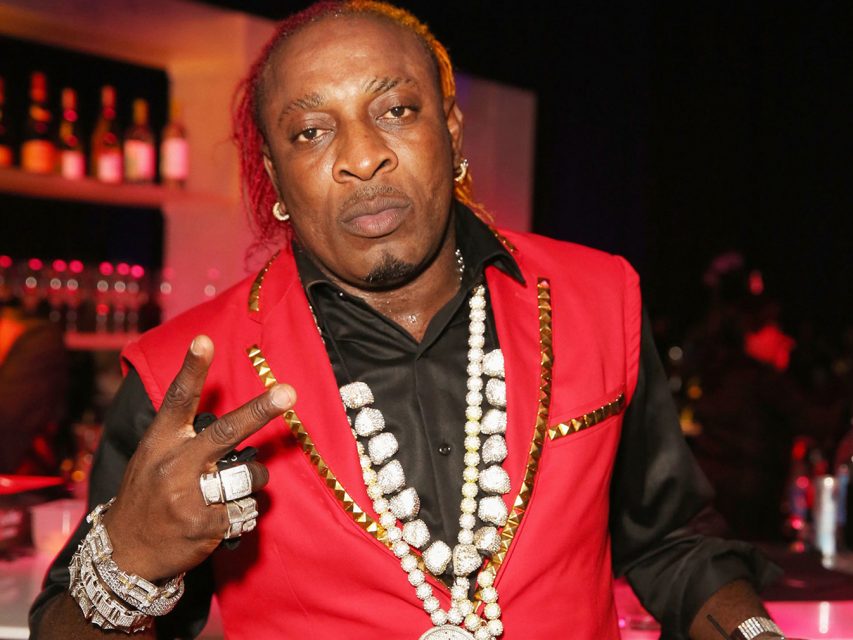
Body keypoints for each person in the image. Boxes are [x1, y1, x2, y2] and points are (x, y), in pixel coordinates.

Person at [30, 2, 790, 638]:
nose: (362, 157)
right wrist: (129, 563)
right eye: (311, 131)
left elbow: (670, 543)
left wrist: (753, 632)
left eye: (395, 111)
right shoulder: (184, 378)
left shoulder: (598, 298)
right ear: (274, 176)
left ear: (452, 131)